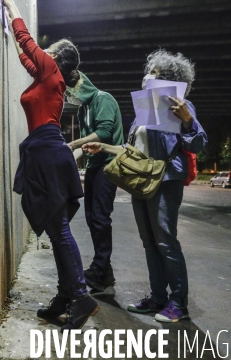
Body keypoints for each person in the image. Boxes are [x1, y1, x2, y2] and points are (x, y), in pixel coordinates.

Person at [82, 49, 207, 323]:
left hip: (166, 181)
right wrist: (102, 146)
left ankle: (178, 303)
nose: (148, 77)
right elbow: (133, 150)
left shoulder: (181, 105)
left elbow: (197, 144)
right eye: (150, 72)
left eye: (156, 74)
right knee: (149, 243)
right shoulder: (144, 111)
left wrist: (187, 119)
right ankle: (158, 298)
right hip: (142, 181)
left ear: (169, 79)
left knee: (166, 241)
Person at [2, 0, 99, 331]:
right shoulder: (46, 79)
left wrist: (11, 6)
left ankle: (80, 296)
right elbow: (24, 55)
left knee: (58, 229)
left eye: (50, 50)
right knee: (58, 230)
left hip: (47, 151)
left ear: (56, 56)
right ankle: (65, 296)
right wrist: (9, 30)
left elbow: (27, 43)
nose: (44, 54)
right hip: (45, 150)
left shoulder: (52, 71)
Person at [65, 72, 124, 293]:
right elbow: (87, 143)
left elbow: (104, 132)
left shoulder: (103, 99)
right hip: (93, 166)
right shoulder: (82, 110)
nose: (70, 97)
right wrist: (70, 155)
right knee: (91, 218)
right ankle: (104, 271)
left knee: (100, 218)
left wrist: (72, 144)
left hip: (108, 166)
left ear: (81, 87)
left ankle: (100, 268)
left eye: (71, 92)